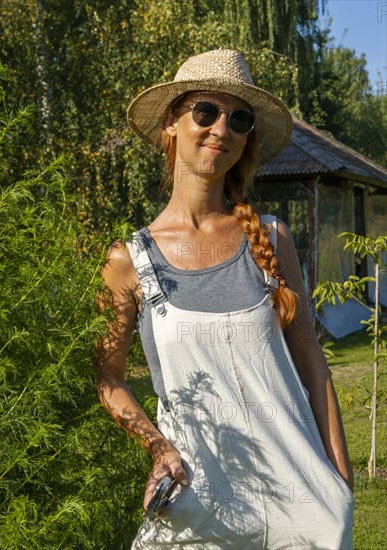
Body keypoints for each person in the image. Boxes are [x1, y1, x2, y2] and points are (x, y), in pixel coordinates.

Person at [96, 49, 354, 549]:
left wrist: (340, 481)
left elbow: (312, 362)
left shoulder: (273, 242)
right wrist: (158, 448)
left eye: (239, 118)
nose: (222, 128)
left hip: (299, 512)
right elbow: (108, 376)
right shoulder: (128, 260)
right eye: (206, 112)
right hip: (197, 506)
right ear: (172, 122)